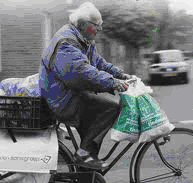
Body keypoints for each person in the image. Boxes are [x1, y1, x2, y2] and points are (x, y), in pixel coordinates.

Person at [39, 2, 135, 169]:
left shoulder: (84, 39)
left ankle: (87, 168)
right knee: (109, 108)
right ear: (83, 24)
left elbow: (98, 63)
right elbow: (82, 73)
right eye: (97, 26)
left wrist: (120, 75)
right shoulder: (67, 43)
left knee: (96, 110)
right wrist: (113, 83)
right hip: (60, 98)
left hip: (69, 93)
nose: (100, 29)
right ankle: (84, 155)